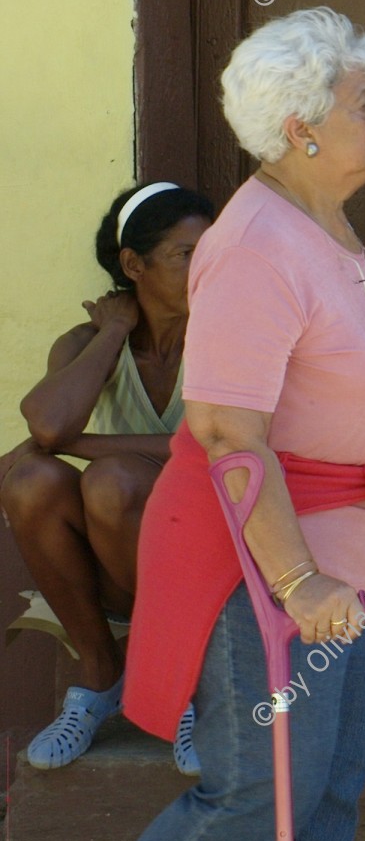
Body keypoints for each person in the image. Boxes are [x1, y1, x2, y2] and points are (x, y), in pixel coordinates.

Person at [122, 7, 365, 841]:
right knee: (255, 798)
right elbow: (226, 432)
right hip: (267, 567)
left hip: (348, 563)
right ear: (301, 130)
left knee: (328, 790)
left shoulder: (328, 225)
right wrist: (297, 580)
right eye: (364, 103)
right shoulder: (256, 245)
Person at [1, 182, 213, 773]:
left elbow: (208, 444)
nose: (207, 266)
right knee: (30, 483)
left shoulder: (227, 337)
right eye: (186, 254)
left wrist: (78, 445)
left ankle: (184, 684)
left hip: (209, 562)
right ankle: (101, 675)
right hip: (116, 568)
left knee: (111, 478)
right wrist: (115, 332)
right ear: (132, 266)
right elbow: (46, 422)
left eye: (213, 250)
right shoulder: (90, 343)